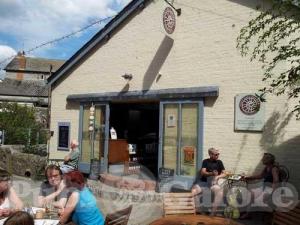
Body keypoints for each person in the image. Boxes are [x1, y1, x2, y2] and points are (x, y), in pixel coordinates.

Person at [240, 153, 280, 219]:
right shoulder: (266, 167)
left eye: (263, 159)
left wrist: (271, 192)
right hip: (264, 187)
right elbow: (260, 176)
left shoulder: (274, 169)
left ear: (267, 160)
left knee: (259, 201)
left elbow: (276, 181)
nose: (261, 160)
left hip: (270, 189)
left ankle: (270, 215)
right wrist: (248, 177)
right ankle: (248, 213)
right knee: (251, 194)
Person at [191, 147, 226, 215]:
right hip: (204, 182)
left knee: (220, 192)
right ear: (210, 154)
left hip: (213, 183)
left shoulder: (219, 162)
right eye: (216, 154)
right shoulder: (205, 161)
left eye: (218, 154)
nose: (217, 156)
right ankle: (199, 209)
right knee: (193, 191)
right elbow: (202, 172)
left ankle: (212, 213)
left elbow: (225, 173)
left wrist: (217, 176)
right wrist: (211, 173)